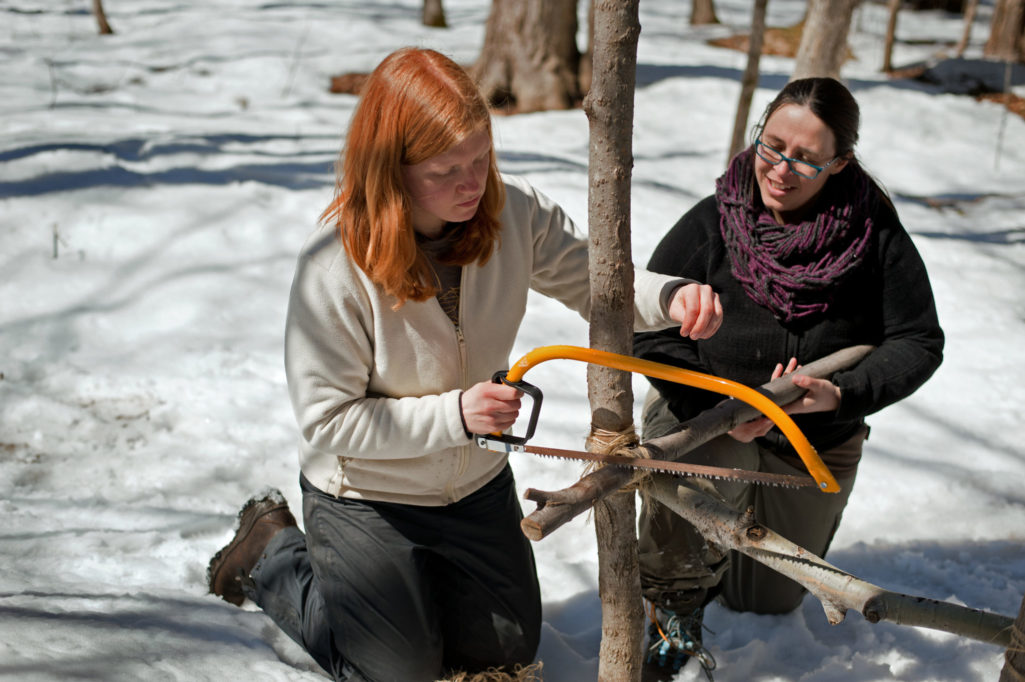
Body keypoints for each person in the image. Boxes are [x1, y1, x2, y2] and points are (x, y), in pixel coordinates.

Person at [205, 47, 723, 682]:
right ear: (388, 170)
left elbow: (600, 284)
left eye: (481, 158)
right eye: (446, 170)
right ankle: (272, 554)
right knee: (397, 671)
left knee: (503, 657)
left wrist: (671, 296)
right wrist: (456, 415)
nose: (472, 183)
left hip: (473, 486)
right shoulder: (332, 267)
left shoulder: (513, 214)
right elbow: (329, 421)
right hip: (369, 495)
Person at [632, 77, 944, 681]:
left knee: (766, 599)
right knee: (697, 497)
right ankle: (673, 607)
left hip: (812, 435)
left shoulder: (873, 235)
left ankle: (730, 554)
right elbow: (649, 327)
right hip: (709, 415)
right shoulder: (713, 221)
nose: (779, 168)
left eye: (805, 158)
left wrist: (842, 395)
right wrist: (719, 402)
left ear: (839, 163)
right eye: (771, 146)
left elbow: (918, 340)